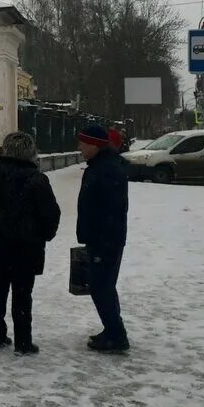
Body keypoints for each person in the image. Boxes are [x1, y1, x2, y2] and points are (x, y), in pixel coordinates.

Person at [0, 131, 61, 355]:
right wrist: (45, 235)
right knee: (22, 293)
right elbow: (51, 215)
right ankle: (23, 342)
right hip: (26, 247)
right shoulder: (37, 180)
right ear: (31, 154)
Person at [77, 124, 130, 353]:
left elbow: (111, 209)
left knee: (101, 287)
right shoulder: (101, 166)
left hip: (105, 239)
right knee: (104, 286)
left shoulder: (106, 169)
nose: (79, 147)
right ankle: (112, 330)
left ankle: (116, 336)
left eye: (83, 143)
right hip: (103, 238)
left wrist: (102, 238)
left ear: (94, 145)